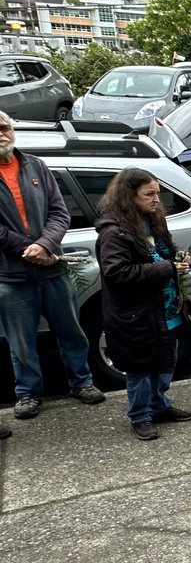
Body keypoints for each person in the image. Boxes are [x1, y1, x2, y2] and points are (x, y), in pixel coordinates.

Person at [0, 109, 106, 424]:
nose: (0, 132)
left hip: (53, 270)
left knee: (71, 331)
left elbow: (60, 213)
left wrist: (45, 244)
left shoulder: (36, 166)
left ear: (12, 130)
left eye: (4, 126)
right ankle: (28, 393)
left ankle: (82, 382)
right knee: (21, 343)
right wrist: (26, 248)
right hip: (12, 277)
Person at [95, 167, 191, 440]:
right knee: (141, 368)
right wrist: (167, 268)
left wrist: (183, 260)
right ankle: (140, 416)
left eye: (157, 193)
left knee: (166, 363)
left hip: (165, 310)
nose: (156, 200)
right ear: (129, 196)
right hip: (137, 314)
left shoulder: (152, 219)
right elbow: (117, 273)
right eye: (149, 194)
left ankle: (159, 406)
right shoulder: (114, 232)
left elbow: (168, 253)